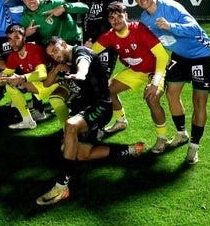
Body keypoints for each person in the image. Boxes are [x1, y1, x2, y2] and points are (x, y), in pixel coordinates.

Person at [36, 36, 144, 205]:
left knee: (71, 126)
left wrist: (80, 74)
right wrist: (57, 69)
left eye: (56, 50)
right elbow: (47, 83)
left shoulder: (81, 53)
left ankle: (61, 186)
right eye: (51, 55)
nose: (55, 56)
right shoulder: (63, 62)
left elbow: (83, 65)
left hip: (100, 108)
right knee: (83, 155)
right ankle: (127, 150)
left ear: (64, 44)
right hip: (83, 110)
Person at [131, 0, 210, 165]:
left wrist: (171, 26)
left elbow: (195, 29)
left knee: (199, 101)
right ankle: (181, 134)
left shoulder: (170, 6)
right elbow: (150, 49)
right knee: (171, 94)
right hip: (180, 56)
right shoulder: (144, 20)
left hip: (202, 53)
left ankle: (194, 147)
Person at [92, 1, 170, 153]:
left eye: (119, 16)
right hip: (135, 71)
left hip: (155, 70)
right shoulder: (109, 36)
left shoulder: (139, 29)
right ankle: (121, 121)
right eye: (112, 18)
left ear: (126, 15)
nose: (116, 20)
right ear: (108, 20)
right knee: (107, 90)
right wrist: (84, 51)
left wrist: (155, 82)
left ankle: (162, 138)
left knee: (152, 98)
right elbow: (92, 52)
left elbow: (162, 55)